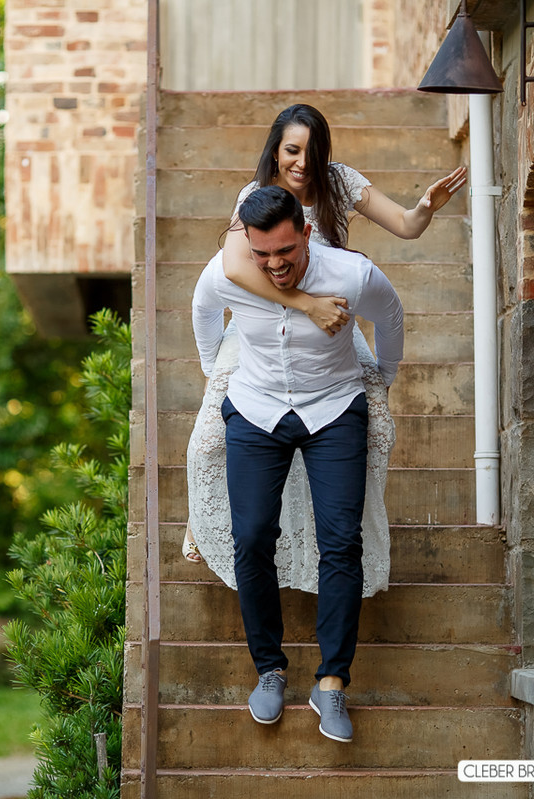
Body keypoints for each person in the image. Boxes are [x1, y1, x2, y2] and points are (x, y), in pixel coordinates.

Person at [183, 104, 466, 598]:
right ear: (276, 149)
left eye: (311, 153)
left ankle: (348, 537)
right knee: (209, 437)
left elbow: (405, 225)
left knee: (377, 428)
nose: (301, 163)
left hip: (332, 331)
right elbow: (231, 267)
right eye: (292, 150)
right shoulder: (257, 195)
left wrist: (424, 206)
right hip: (261, 328)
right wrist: (304, 304)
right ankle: (208, 525)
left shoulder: (338, 183)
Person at [191, 185, 405, 742]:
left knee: (341, 541)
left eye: (285, 251)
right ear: (247, 244)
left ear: (306, 233)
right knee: (253, 535)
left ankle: (332, 682)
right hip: (257, 409)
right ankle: (269, 669)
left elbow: (392, 315)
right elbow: (204, 312)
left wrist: (382, 375)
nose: (275, 264)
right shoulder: (229, 270)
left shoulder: (352, 275)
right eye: (262, 255)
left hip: (334, 409)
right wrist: (217, 368)